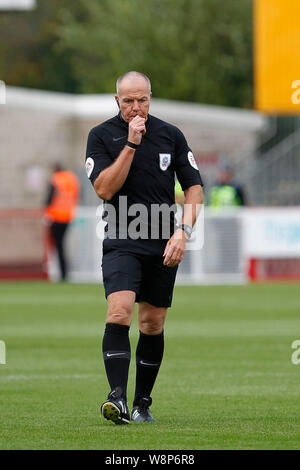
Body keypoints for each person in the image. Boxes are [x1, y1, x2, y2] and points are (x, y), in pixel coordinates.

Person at [85, 71, 204, 425]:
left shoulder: (171, 134)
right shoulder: (100, 136)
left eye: (142, 100)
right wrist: (132, 144)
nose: (136, 107)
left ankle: (142, 404)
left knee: (152, 323)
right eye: (128, 101)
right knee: (120, 310)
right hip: (122, 236)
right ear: (116, 100)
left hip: (164, 241)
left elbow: (195, 189)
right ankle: (117, 399)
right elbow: (105, 189)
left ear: (151, 97)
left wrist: (182, 232)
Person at [44, 163, 80, 281]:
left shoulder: (56, 179)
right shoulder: (72, 178)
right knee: (63, 245)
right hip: (68, 216)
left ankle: (61, 273)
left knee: (58, 246)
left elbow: (49, 199)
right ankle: (65, 272)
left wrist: (46, 213)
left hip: (56, 216)